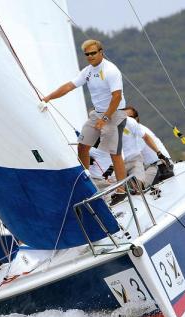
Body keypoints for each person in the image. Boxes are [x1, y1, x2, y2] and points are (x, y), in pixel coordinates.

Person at [42, 39, 127, 205]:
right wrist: (48, 97)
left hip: (114, 114)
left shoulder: (110, 70)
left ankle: (122, 190)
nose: (90, 56)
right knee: (82, 146)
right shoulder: (88, 71)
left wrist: (105, 119)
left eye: (93, 53)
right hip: (97, 114)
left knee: (114, 153)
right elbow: (69, 86)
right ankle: (87, 183)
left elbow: (116, 97)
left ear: (101, 52)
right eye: (87, 54)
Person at [124, 106, 173, 186]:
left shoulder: (138, 131)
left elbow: (130, 155)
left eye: (130, 117)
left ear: (136, 119)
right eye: (124, 118)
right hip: (150, 166)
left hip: (159, 166)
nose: (127, 120)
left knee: (137, 188)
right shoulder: (134, 130)